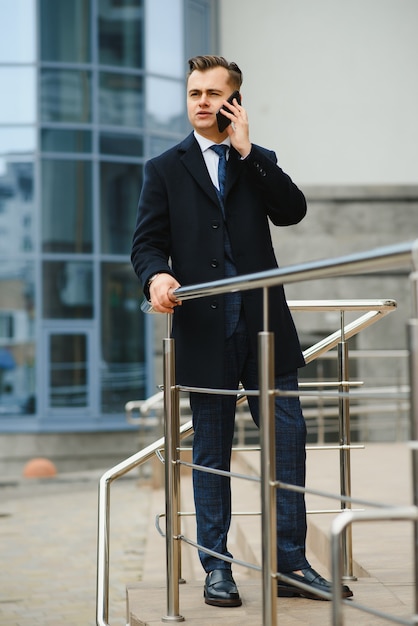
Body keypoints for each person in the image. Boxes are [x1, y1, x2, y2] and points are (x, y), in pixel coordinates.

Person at [131, 55, 353, 607]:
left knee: (288, 443)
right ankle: (217, 568)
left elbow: (293, 211)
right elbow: (146, 243)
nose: (200, 102)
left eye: (212, 93)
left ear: (233, 101)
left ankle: (291, 564)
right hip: (204, 330)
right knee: (211, 452)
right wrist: (156, 274)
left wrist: (250, 152)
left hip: (264, 327)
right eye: (193, 93)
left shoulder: (258, 161)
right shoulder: (164, 168)